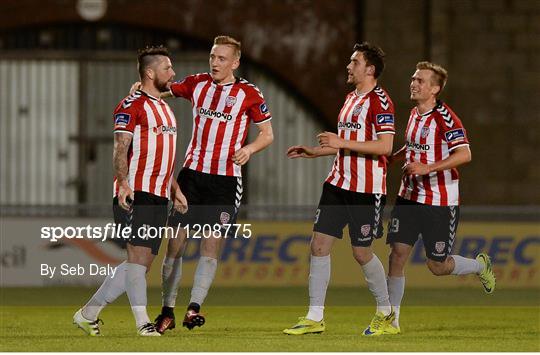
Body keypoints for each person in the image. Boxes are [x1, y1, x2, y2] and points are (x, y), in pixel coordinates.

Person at [151, 35, 274, 333]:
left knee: (210, 245)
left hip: (225, 181)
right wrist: (147, 95)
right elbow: (168, 90)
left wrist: (249, 149)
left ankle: (193, 309)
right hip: (192, 175)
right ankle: (167, 309)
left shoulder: (249, 93)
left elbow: (267, 134)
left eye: (221, 58)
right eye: (212, 56)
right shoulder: (197, 84)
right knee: (175, 245)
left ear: (235, 62)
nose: (215, 63)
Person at [73, 46, 187, 336]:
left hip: (160, 195)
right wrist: (123, 183)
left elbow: (165, 155)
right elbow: (120, 148)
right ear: (150, 73)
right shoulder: (130, 105)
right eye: (167, 68)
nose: (173, 73)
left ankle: (88, 314)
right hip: (137, 192)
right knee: (137, 260)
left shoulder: (165, 108)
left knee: (141, 265)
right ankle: (143, 324)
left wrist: (175, 188)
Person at [283, 42, 396, 336]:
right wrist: (315, 151)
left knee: (361, 253)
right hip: (338, 183)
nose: (348, 66)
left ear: (369, 69)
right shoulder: (350, 99)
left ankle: (385, 311)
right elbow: (343, 145)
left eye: (354, 62)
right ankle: (314, 316)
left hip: (366, 189)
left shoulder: (381, 102)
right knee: (318, 245)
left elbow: (385, 147)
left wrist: (340, 143)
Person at [385, 61, 496, 334]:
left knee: (438, 265)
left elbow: (464, 154)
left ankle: (480, 265)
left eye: (420, 80)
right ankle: (391, 320)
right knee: (397, 255)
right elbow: (413, 148)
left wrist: (427, 168)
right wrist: (392, 157)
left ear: (434, 88)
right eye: (413, 78)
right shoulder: (413, 114)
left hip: (439, 201)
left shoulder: (446, 118)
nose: (413, 83)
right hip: (409, 196)